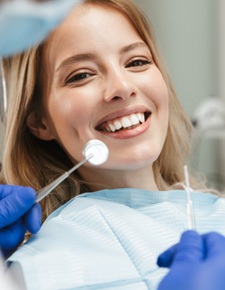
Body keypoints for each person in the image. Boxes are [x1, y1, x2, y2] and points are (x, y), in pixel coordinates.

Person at [1, 0, 225, 289]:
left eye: (137, 62)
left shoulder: (215, 210)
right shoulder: (45, 265)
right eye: (81, 75)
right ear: (40, 122)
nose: (122, 86)